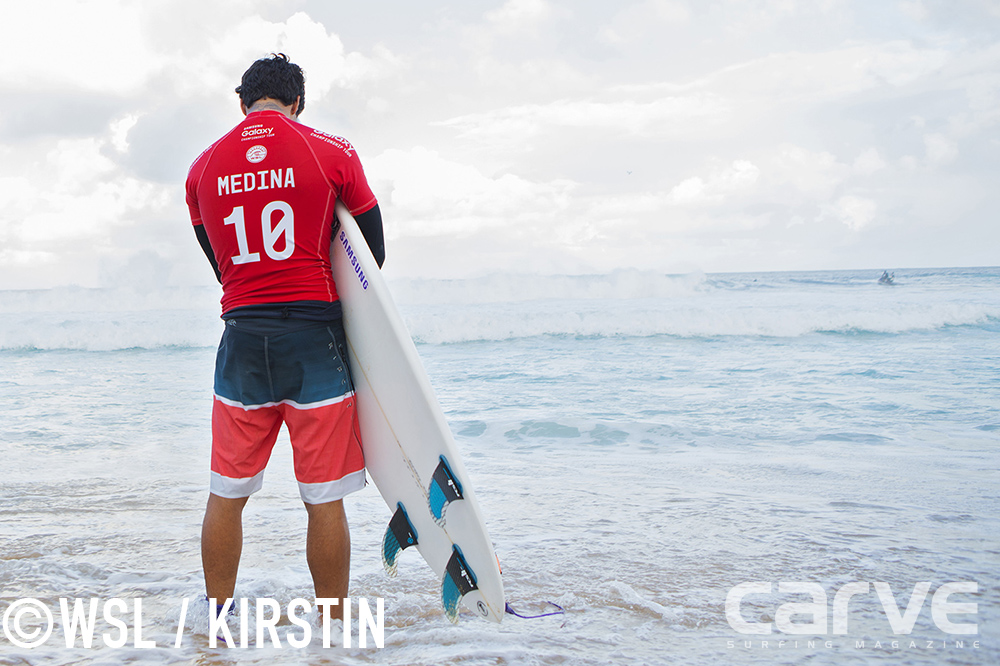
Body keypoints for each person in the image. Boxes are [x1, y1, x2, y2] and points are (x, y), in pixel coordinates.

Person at [184, 53, 385, 615]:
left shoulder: (201, 169)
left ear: (242, 102)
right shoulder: (333, 152)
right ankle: (333, 628)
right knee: (322, 499)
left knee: (227, 492)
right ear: (298, 102)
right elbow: (373, 260)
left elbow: (222, 265)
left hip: (241, 339)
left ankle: (215, 620)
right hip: (314, 339)